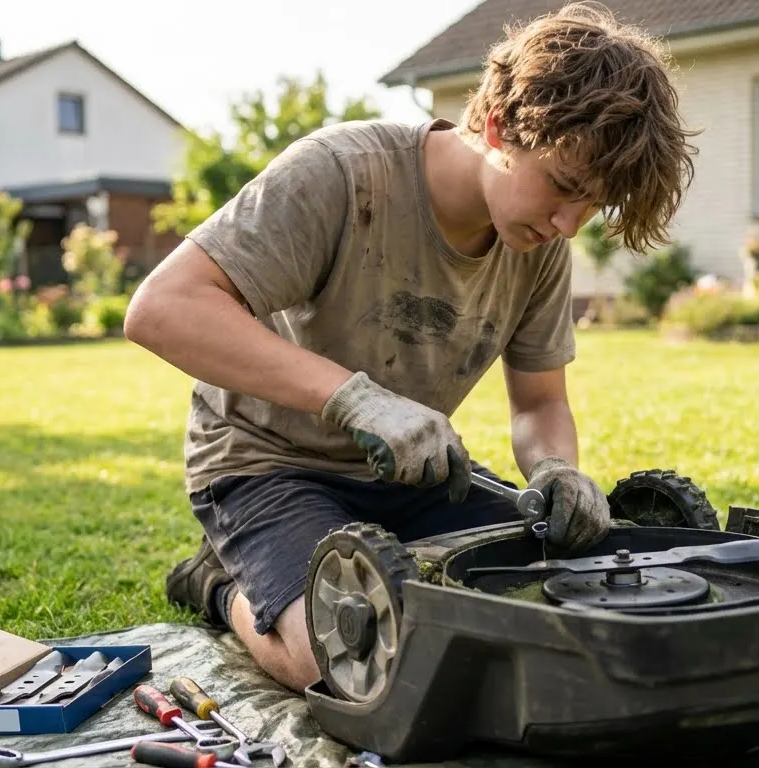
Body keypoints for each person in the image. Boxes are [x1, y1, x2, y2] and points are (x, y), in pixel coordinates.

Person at [123, 1, 698, 693]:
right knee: (348, 659)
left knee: (556, 593)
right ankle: (218, 583)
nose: (567, 224)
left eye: (591, 206)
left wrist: (555, 470)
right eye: (564, 187)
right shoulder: (340, 172)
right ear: (496, 126)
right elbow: (162, 308)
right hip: (265, 463)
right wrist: (354, 399)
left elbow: (540, 401)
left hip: (412, 474)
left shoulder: (538, 241)